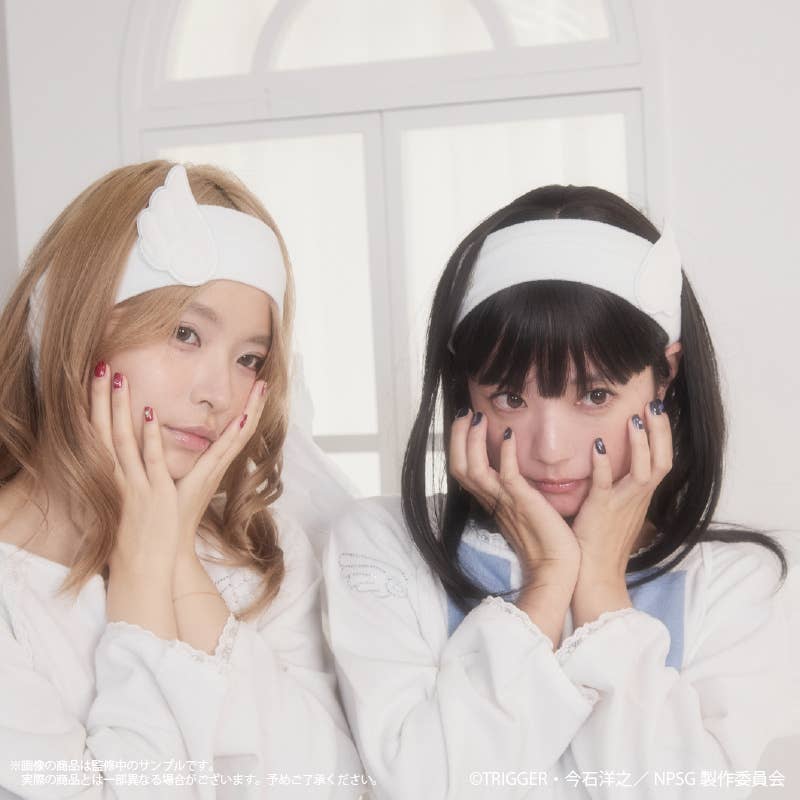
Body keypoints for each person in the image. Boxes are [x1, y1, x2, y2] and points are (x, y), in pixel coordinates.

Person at [322, 185, 799, 799]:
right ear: (466, 389)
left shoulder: (733, 582)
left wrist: (599, 588)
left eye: (594, 396)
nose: (549, 448)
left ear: (665, 376)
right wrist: (547, 581)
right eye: (510, 397)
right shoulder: (384, 546)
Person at [0, 161, 364, 797]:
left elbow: (332, 785)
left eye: (249, 359)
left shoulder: (261, 549)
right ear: (74, 327)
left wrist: (175, 562)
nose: (218, 392)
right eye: (185, 334)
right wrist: (142, 576)